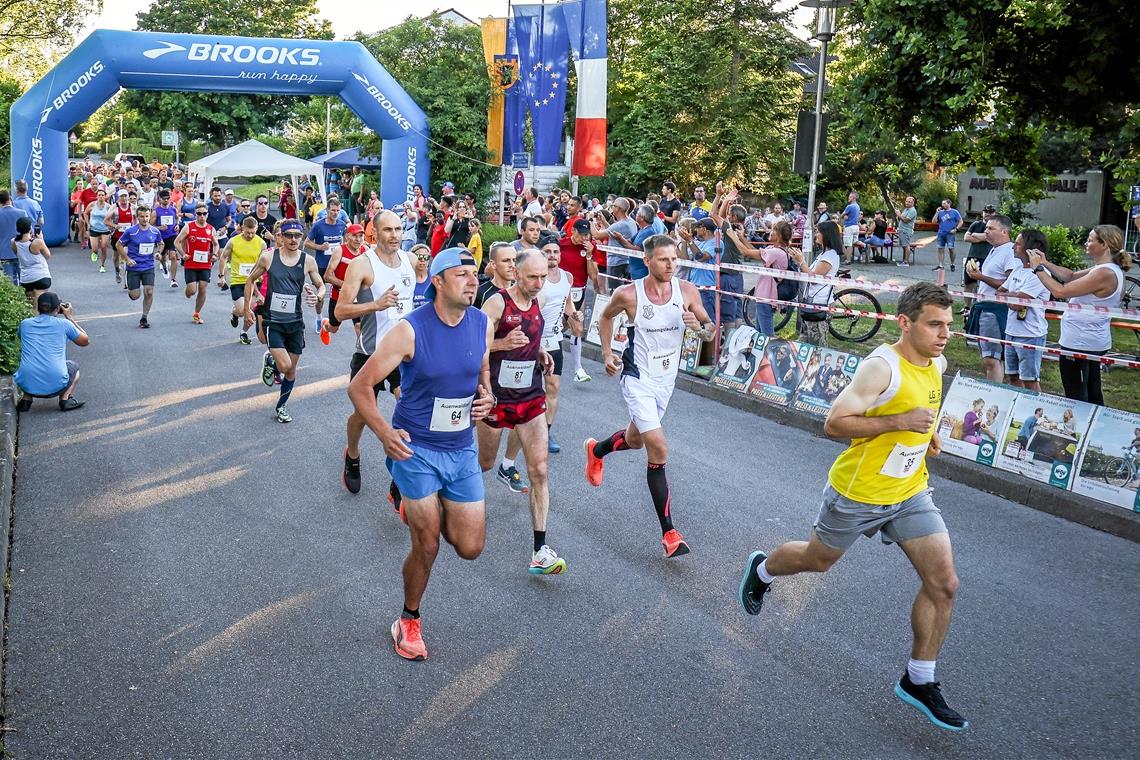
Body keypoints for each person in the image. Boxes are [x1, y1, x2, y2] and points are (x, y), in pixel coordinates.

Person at [738, 282, 968, 732]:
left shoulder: (937, 362)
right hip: (857, 493)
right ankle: (763, 569)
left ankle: (919, 679)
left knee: (944, 583)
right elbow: (834, 423)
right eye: (935, 324)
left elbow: (925, 407)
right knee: (816, 560)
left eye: (949, 325)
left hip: (909, 491)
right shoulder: (881, 367)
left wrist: (928, 435)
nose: (945, 334)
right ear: (904, 322)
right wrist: (902, 423)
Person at [346, 247, 494, 662]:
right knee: (427, 543)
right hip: (417, 449)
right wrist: (384, 432)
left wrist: (487, 397)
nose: (471, 281)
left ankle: (423, 505)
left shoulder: (481, 323)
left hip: (461, 448)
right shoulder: (409, 330)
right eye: (462, 274)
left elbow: (480, 373)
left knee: (469, 547)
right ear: (439, 282)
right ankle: (408, 620)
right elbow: (360, 387)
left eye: (474, 273)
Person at [583, 235, 715, 558]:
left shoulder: (687, 292)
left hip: (666, 380)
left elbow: (711, 331)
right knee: (658, 445)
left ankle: (596, 449)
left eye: (674, 260)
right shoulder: (629, 294)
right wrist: (606, 353)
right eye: (663, 260)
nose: (670, 265)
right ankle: (669, 532)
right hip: (637, 377)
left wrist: (697, 327)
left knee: (637, 439)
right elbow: (605, 317)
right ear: (647, 261)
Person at [477, 249, 567, 574]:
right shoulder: (498, 304)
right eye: (533, 277)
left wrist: (540, 351)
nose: (539, 283)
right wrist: (501, 345)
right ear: (516, 272)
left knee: (540, 470)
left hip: (530, 396)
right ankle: (437, 491)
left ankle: (540, 551)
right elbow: (471, 346)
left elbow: (530, 336)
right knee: (484, 463)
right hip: (496, 398)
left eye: (543, 276)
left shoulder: (538, 301)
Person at [336, 211, 416, 501]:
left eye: (398, 229)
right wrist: (376, 306)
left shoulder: (410, 260)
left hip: (405, 356)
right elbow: (340, 310)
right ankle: (353, 455)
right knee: (363, 415)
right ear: (374, 233)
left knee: (408, 411)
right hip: (371, 353)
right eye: (387, 230)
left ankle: (399, 477)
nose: (394, 235)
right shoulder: (361, 265)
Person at [1029, 224, 1129, 406]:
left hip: (1082, 342)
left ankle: (1081, 429)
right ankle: (1091, 429)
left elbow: (1060, 291)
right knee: (1091, 392)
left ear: (1104, 245)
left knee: (1077, 395)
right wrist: (1045, 262)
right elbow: (1071, 276)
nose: (1086, 243)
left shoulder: (1105, 272)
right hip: (1087, 339)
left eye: (1090, 240)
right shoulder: (1104, 268)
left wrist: (1038, 270)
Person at [243, 219, 326, 423]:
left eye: (297, 236)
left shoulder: (307, 261)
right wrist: (246, 309)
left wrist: (319, 296)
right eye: (288, 235)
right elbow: (250, 279)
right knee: (285, 364)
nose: (293, 239)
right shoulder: (268, 258)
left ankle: (281, 406)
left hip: (295, 322)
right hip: (274, 321)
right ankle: (273, 360)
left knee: (290, 370)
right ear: (280, 236)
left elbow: (321, 286)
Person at [970, 229, 1051, 391]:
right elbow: (1001, 292)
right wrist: (1014, 297)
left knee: (1029, 380)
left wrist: (1013, 298)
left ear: (1030, 248)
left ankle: (1036, 409)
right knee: (1012, 376)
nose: (1014, 246)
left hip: (1030, 335)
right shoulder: (1018, 270)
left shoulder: (1040, 274)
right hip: (1011, 331)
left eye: (1018, 244)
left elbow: (1018, 303)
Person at [537, 237, 584, 454]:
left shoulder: (567, 277)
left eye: (556, 251)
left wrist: (573, 313)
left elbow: (567, 302)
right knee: (527, 387)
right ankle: (525, 425)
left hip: (553, 339)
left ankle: (545, 432)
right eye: (547, 251)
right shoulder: (535, 277)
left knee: (553, 387)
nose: (552, 255)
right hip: (532, 340)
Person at [14, 292, 89, 412]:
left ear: (38, 308)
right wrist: (70, 318)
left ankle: (26, 400)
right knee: (74, 367)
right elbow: (85, 341)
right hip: (56, 386)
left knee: (31, 363)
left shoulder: (25, 324)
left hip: (26, 384)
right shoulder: (64, 324)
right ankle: (65, 399)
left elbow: (21, 338)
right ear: (58, 309)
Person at [965, 215, 1017, 382]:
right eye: (986, 228)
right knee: (990, 358)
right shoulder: (994, 249)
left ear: (1004, 231)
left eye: (990, 228)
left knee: (992, 358)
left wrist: (980, 277)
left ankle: (993, 392)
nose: (986, 231)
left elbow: (1011, 284)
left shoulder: (1009, 251)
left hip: (995, 310)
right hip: (985, 307)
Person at [727, 220, 793, 337]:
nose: (770, 232)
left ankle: (769, 353)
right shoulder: (774, 249)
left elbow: (746, 252)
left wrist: (733, 236)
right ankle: (761, 354)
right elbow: (754, 252)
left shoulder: (777, 252)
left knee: (767, 335)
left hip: (767, 297)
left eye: (773, 230)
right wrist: (742, 238)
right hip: (764, 296)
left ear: (779, 235)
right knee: (760, 333)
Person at [788, 221, 842, 346]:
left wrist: (801, 262)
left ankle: (819, 364)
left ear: (826, 235)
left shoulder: (830, 256)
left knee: (818, 344)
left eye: (818, 232)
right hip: (813, 303)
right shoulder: (824, 254)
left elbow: (814, 279)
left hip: (820, 304)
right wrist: (799, 261)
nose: (816, 234)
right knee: (805, 342)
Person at [218, 216, 266, 345]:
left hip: (255, 281)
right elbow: (223, 258)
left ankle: (243, 332)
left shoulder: (261, 243)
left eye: (253, 232)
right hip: (238, 280)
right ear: (242, 228)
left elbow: (264, 263)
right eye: (247, 232)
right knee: (241, 311)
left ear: (256, 229)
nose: (250, 235)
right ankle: (234, 313)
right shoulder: (233, 241)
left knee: (251, 309)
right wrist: (221, 276)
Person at [321, 222, 369, 344]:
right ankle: (325, 325)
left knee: (359, 326)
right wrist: (348, 286)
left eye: (361, 236)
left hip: (358, 296)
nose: (358, 240)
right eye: (354, 236)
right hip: (339, 295)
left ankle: (364, 354)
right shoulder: (340, 250)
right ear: (347, 236)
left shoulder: (366, 250)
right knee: (334, 328)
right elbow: (327, 276)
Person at [117, 205, 163, 328]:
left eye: (147, 216)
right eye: (141, 216)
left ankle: (144, 317)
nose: (144, 219)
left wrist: (158, 252)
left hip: (148, 266)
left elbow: (161, 243)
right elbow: (118, 245)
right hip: (134, 267)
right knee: (135, 295)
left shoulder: (155, 231)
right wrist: (127, 259)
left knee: (149, 292)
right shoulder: (131, 231)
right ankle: (131, 291)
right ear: (137, 217)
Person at [174, 203, 219, 324]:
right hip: (191, 263)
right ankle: (188, 291)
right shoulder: (189, 227)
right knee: (192, 291)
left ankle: (197, 313)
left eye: (204, 214)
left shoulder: (211, 229)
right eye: (199, 214)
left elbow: (215, 244)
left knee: (203, 288)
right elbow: (177, 242)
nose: (202, 216)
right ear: (195, 214)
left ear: (207, 214)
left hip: (205, 263)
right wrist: (183, 254)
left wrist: (214, 254)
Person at [13, 218, 52, 302]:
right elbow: (47, 255)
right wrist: (41, 239)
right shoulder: (37, 242)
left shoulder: (13, 242)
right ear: (30, 228)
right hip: (41, 276)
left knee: (31, 305)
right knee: (40, 304)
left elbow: (17, 254)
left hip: (26, 278)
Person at [961, 204, 996, 293]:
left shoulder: (996, 226)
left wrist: (974, 235)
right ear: (982, 213)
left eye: (991, 212)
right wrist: (984, 238)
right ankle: (967, 306)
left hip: (989, 258)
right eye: (986, 211)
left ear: (995, 213)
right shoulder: (975, 224)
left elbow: (989, 237)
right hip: (973, 256)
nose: (988, 214)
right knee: (969, 283)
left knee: (985, 283)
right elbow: (966, 238)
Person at [153, 190, 180, 284]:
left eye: (168, 198)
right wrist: (159, 227)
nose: (166, 200)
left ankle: (173, 279)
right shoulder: (156, 211)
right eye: (164, 199)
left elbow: (176, 219)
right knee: (162, 257)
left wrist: (177, 226)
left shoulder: (173, 209)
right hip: (161, 237)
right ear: (159, 199)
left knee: (173, 256)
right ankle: (164, 267)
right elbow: (150, 226)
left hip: (172, 235)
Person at [85, 188, 113, 273]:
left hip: (105, 229)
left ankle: (102, 265)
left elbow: (113, 216)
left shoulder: (108, 206)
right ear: (96, 196)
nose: (101, 196)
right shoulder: (92, 205)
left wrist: (111, 225)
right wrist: (88, 224)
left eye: (102, 195)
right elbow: (86, 213)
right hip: (94, 228)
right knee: (95, 248)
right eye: (99, 195)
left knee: (104, 246)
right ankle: (95, 253)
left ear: (105, 197)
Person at [931, 199, 963, 272]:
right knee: (940, 249)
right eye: (942, 203)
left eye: (944, 203)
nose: (943, 205)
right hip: (941, 233)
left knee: (951, 249)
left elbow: (961, 221)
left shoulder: (955, 212)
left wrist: (956, 229)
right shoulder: (940, 212)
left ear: (949, 204)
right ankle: (940, 265)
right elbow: (933, 221)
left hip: (950, 234)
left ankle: (952, 264)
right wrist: (937, 212)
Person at [840, 192, 861, 263]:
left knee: (847, 244)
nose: (848, 198)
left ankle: (848, 259)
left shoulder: (850, 206)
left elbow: (842, 215)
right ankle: (865, 245)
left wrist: (843, 217)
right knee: (854, 242)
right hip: (856, 226)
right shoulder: (858, 206)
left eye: (850, 197)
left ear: (854, 198)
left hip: (849, 226)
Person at [410, 244, 432, 308]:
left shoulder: (434, 278)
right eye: (419, 257)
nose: (422, 260)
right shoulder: (407, 279)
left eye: (426, 257)